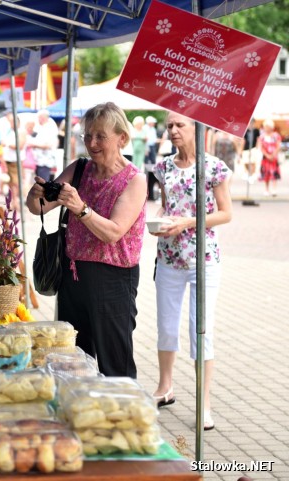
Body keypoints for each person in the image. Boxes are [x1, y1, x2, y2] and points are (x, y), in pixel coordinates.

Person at [26, 102, 147, 377]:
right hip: (72, 275)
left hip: (113, 279)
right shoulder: (79, 169)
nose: (92, 143)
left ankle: (121, 415)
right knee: (71, 358)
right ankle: (77, 411)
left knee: (114, 360)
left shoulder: (135, 180)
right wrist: (35, 196)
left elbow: (114, 232)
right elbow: (40, 207)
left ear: (122, 138)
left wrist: (81, 208)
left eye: (100, 136)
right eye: (88, 135)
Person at [151, 111, 232, 432]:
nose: (172, 131)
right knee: (166, 328)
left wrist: (187, 222)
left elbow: (225, 214)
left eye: (179, 125)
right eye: (169, 125)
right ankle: (165, 388)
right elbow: (166, 206)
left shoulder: (213, 167)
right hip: (169, 257)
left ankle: (204, 403)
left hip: (204, 259)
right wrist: (159, 222)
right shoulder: (163, 167)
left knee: (202, 330)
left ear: (196, 129)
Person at [29, 109, 60, 182]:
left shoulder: (50, 128)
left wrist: (34, 145)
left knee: (43, 183)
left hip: (45, 161)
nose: (39, 119)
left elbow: (49, 145)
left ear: (44, 117)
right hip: (37, 160)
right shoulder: (38, 128)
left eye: (40, 117)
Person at [257, 119, 282, 196]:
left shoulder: (276, 136)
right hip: (265, 157)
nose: (267, 128)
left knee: (274, 172)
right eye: (266, 127)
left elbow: (278, 146)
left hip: (274, 157)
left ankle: (274, 189)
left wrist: (273, 155)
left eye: (268, 127)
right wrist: (267, 155)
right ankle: (266, 189)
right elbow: (260, 147)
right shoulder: (262, 137)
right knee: (266, 173)